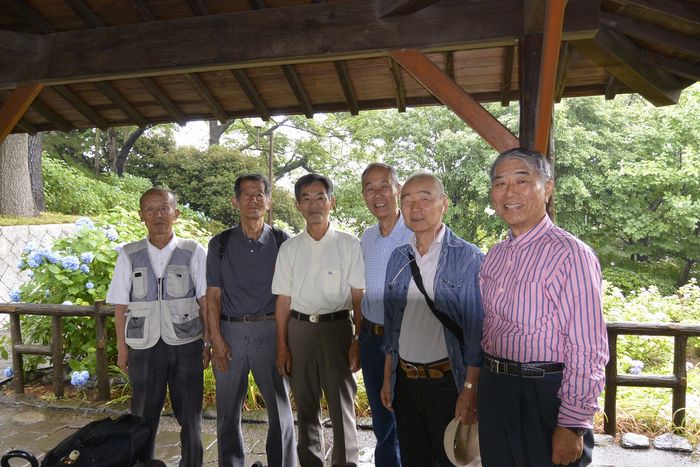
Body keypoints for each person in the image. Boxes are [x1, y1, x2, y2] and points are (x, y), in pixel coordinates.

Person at [478, 148, 609, 467]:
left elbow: (588, 347)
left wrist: (573, 423)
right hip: (496, 387)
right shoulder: (495, 255)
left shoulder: (571, 255)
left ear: (547, 189)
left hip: (545, 393)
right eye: (500, 183)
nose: (509, 192)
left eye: (522, 181)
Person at [380, 172, 484, 467]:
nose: (415, 208)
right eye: (407, 200)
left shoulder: (468, 258)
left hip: (447, 383)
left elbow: (477, 335)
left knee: (452, 460)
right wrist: (388, 379)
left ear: (444, 204)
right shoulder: (398, 258)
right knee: (413, 459)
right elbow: (392, 327)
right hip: (405, 383)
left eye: (425, 199)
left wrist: (469, 391)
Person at [107, 187, 209, 467]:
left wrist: (208, 342)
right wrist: (122, 349)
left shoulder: (193, 251)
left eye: (164, 208)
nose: (158, 215)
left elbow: (205, 299)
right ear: (141, 216)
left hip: (186, 344)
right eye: (150, 210)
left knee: (191, 416)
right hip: (144, 346)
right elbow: (120, 304)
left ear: (176, 213)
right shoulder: (129, 253)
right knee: (142, 416)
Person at [272, 173, 365, 467]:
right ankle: (311, 462)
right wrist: (282, 346)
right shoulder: (289, 248)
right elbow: (283, 301)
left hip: (338, 330)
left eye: (320, 198)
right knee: (305, 406)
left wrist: (357, 340)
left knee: (342, 405)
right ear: (298, 205)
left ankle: (345, 463)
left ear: (331, 202)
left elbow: (358, 298)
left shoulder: (349, 244)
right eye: (306, 199)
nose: (314, 205)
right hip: (299, 330)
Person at [206, 174, 296, 467]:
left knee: (281, 411)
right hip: (229, 333)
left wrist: (284, 343)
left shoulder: (283, 241)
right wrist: (216, 340)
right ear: (235, 201)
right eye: (246, 194)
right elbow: (213, 296)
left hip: (272, 331)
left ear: (268, 202)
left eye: (260, 194)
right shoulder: (220, 243)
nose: (253, 200)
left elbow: (289, 296)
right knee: (227, 412)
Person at [359, 162, 411, 467]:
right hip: (371, 338)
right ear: (364, 195)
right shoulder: (367, 237)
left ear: (397, 189)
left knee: (407, 418)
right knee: (381, 421)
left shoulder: (415, 233)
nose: (377, 195)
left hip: (407, 341)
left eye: (384, 187)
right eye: (370, 189)